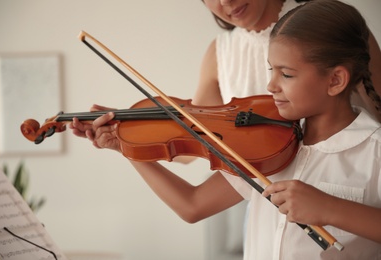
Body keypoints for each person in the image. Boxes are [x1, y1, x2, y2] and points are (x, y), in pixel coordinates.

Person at [70, 0, 381, 258]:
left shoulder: (375, 149)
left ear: (336, 80)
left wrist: (330, 208)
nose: (270, 85)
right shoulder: (267, 149)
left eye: (286, 74)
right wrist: (125, 146)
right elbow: (191, 206)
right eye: (271, 70)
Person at [195, 0, 381, 123]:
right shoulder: (218, 52)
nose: (225, 1)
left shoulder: (328, 22)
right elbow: (196, 136)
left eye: (286, 74)